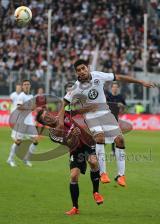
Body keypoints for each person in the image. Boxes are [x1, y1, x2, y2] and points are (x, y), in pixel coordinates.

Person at [58, 59, 155, 187]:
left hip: (105, 113)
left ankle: (121, 175)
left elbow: (119, 77)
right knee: (100, 137)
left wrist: (140, 82)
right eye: (78, 70)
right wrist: (60, 120)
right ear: (76, 72)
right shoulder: (76, 87)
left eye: (83, 68)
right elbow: (65, 102)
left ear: (88, 67)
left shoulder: (98, 75)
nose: (82, 71)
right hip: (91, 115)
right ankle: (103, 173)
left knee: (120, 140)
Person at [36, 107, 104, 215]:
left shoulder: (64, 114)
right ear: (44, 123)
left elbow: (70, 105)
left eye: (47, 114)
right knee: (73, 175)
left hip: (87, 143)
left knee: (93, 161)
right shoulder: (53, 134)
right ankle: (75, 207)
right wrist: (73, 135)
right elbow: (69, 143)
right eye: (45, 118)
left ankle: (96, 192)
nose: (49, 117)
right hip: (75, 149)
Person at [7, 80, 38, 167]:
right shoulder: (21, 96)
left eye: (28, 84)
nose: (26, 86)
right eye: (25, 84)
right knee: (18, 142)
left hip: (29, 122)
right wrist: (29, 107)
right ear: (22, 86)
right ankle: (10, 159)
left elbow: (33, 108)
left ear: (30, 86)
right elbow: (19, 107)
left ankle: (26, 159)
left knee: (35, 141)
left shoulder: (31, 96)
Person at [105, 82, 126, 156]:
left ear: (118, 88)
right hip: (106, 118)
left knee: (114, 134)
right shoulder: (108, 96)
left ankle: (114, 150)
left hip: (115, 118)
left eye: (116, 87)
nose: (115, 88)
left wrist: (122, 106)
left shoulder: (120, 97)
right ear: (111, 88)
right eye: (114, 87)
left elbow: (124, 109)